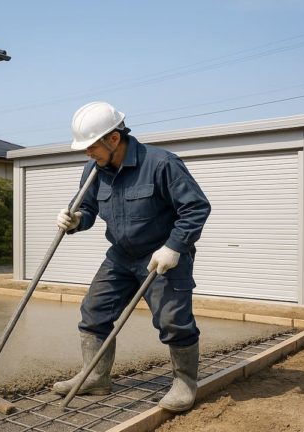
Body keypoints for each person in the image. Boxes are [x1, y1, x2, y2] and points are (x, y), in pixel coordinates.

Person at [53, 101, 211, 412]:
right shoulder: (93, 170)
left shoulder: (162, 164)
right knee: (94, 312)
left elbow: (196, 208)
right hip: (121, 256)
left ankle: (184, 382)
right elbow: (86, 210)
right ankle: (95, 377)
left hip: (162, 256)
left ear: (113, 139)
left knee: (172, 321)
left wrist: (175, 246)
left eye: (91, 147)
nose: (87, 154)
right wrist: (75, 221)